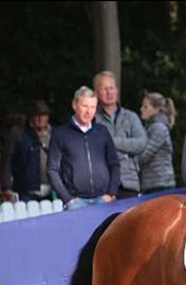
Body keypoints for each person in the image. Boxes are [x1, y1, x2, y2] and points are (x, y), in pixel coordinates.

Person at [47, 86, 120, 210]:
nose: (89, 111)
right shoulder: (61, 134)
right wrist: (67, 199)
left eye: (93, 107)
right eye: (85, 106)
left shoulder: (102, 132)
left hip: (103, 200)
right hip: (76, 202)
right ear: (75, 105)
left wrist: (111, 193)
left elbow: (114, 164)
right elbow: (52, 169)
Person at [93, 70, 147, 199]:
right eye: (104, 88)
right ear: (96, 93)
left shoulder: (131, 117)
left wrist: (110, 141)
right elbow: (95, 147)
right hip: (103, 184)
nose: (109, 92)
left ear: (117, 90)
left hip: (130, 183)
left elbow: (141, 144)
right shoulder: (92, 119)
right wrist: (126, 148)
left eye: (111, 88)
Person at [0, 100, 53, 202]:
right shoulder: (19, 135)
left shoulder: (55, 135)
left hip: (52, 191)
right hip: (26, 192)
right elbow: (7, 161)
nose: (40, 119)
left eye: (43, 115)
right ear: (31, 117)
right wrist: (6, 186)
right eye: (37, 115)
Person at [139, 92, 177, 194]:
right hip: (154, 183)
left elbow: (145, 155)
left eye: (145, 106)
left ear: (156, 109)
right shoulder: (152, 127)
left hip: (160, 184)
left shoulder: (158, 128)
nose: (141, 109)